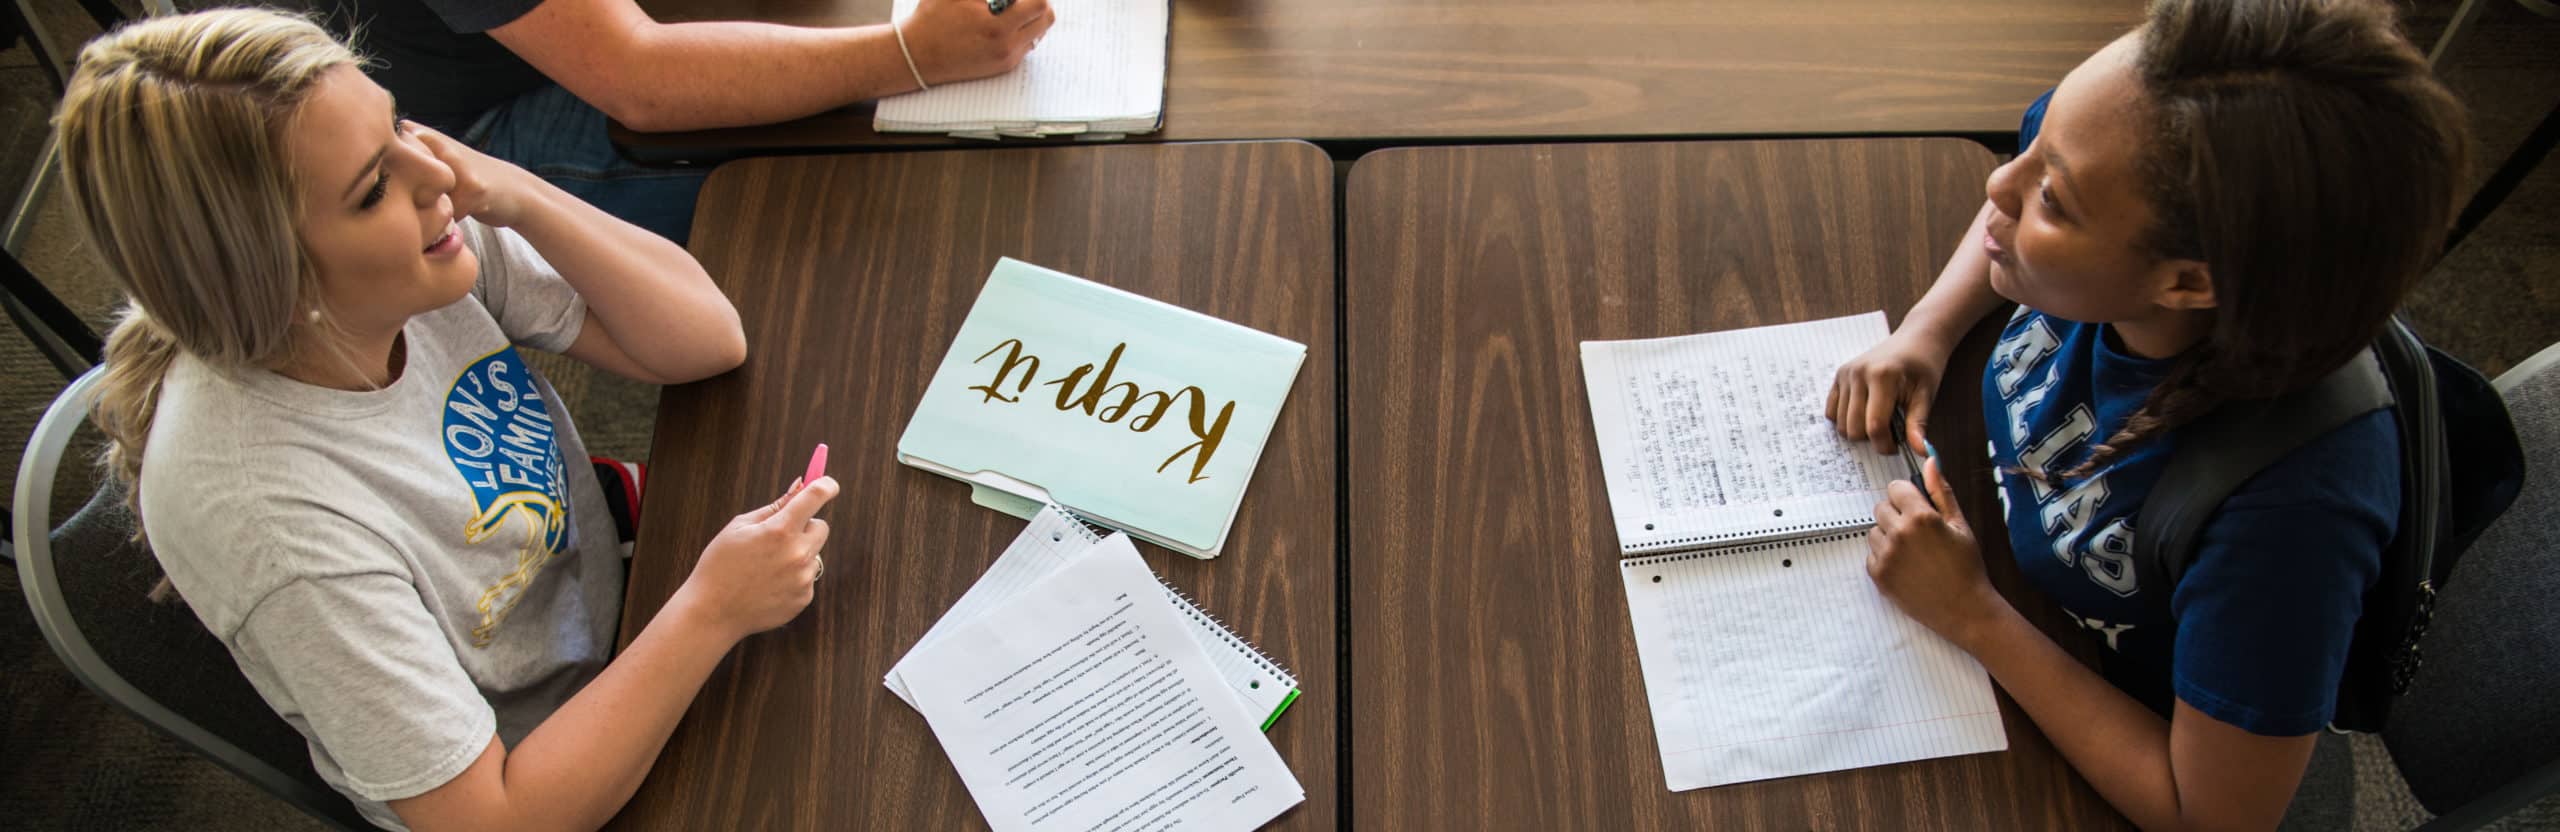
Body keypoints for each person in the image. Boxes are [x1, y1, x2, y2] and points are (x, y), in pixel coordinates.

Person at [54, 9, 842, 830]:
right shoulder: (270, 522)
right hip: (552, 773)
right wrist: (709, 611)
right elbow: (494, 819)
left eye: (396, 123)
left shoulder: (418, 232)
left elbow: (703, 340)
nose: (434, 173)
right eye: (370, 188)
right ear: (273, 281)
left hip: (613, 613)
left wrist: (514, 191)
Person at [1825, 0, 2468, 827]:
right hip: (2009, 569)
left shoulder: (2293, 511)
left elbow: (2207, 814)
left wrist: (1975, 615)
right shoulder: (2113, 139)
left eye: (2053, 198)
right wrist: (1929, 330)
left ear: (2189, 283)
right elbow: (2008, 209)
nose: (2000, 183)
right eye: (2037, 140)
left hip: (2108, 703)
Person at [315, 0, 1057, 242]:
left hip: (587, 36)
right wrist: (912, 54)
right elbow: (639, 80)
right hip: (470, 127)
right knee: (919, 173)